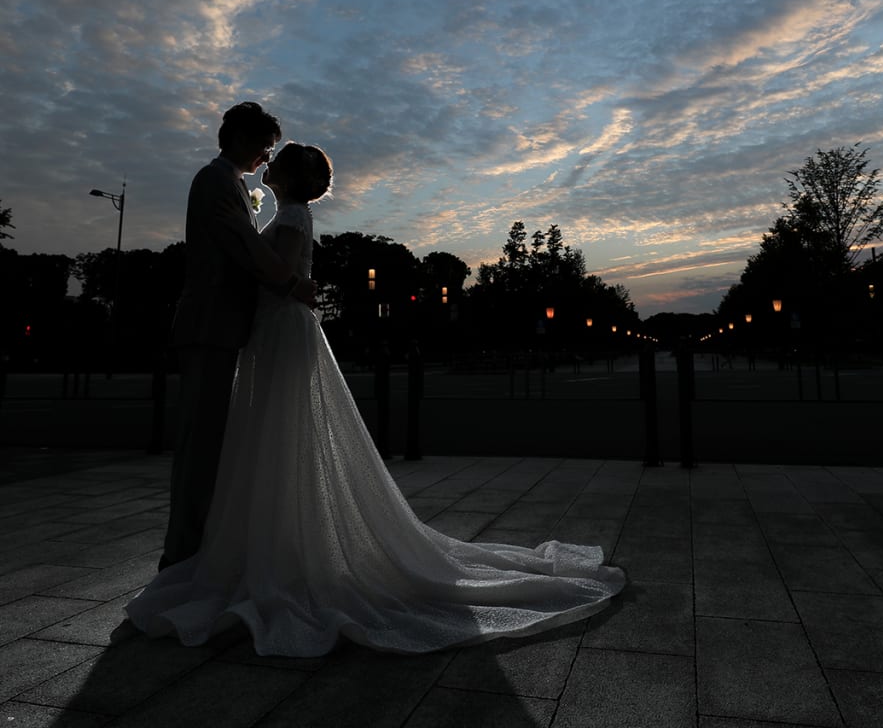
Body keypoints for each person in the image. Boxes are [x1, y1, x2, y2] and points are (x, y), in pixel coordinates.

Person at [128, 142, 625, 656]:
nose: (268, 163)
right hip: (275, 331)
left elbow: (272, 276)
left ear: (292, 178)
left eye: (279, 160)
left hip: (277, 331)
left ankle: (272, 544)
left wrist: (253, 266)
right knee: (275, 436)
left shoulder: (294, 217)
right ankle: (277, 538)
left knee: (276, 433)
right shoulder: (292, 214)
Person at [160, 103, 316, 571]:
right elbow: (244, 247)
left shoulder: (232, 184)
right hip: (210, 324)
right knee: (199, 444)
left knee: (210, 444)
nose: (267, 157)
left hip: (226, 327)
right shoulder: (215, 181)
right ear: (244, 140)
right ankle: (182, 553)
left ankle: (192, 547)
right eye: (265, 146)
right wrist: (292, 284)